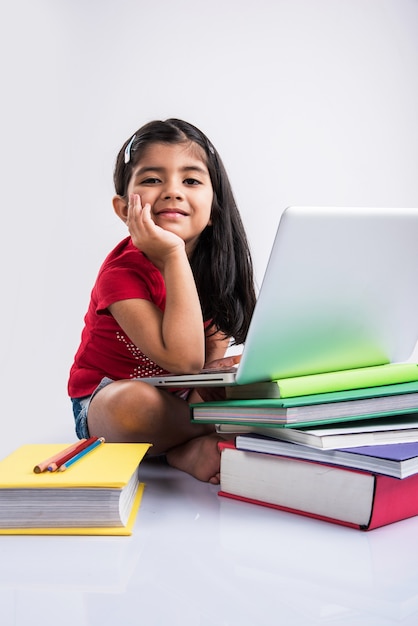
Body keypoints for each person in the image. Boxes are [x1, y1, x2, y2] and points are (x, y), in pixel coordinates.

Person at [68, 118, 256, 484]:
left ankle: (181, 446)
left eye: (191, 180)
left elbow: (202, 370)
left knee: (238, 385)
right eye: (153, 179)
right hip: (107, 402)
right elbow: (184, 360)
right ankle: (205, 436)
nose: (172, 191)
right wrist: (172, 254)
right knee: (133, 405)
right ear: (124, 209)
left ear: (215, 207)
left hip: (182, 405)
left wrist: (230, 380)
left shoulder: (216, 270)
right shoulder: (121, 274)